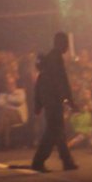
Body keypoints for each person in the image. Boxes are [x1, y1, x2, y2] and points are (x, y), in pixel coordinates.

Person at [30, 32, 78, 172]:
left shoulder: (50, 59)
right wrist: (69, 100)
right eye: (66, 44)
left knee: (58, 131)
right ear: (61, 43)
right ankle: (38, 161)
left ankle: (67, 161)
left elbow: (41, 82)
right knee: (53, 131)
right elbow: (61, 82)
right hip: (53, 102)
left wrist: (38, 103)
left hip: (49, 101)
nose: (67, 47)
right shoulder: (56, 59)